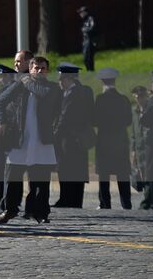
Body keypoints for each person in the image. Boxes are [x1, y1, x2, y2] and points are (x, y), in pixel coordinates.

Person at [0, 55, 59, 224]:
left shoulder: (52, 87)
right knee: (13, 176)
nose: (38, 71)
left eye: (42, 68)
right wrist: (2, 121)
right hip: (20, 137)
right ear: (30, 68)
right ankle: (10, 209)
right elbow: (1, 101)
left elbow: (44, 94)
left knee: (41, 178)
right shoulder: (20, 86)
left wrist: (27, 81)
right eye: (35, 68)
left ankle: (40, 212)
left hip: (42, 139)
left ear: (47, 71)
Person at [53, 64, 95, 207]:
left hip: (70, 138)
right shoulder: (82, 91)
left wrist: (54, 135)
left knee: (66, 169)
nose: (59, 83)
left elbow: (64, 118)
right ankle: (72, 199)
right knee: (76, 170)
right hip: (78, 139)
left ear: (68, 79)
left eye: (61, 79)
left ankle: (68, 199)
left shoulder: (74, 94)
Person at [91, 68, 131, 209]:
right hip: (120, 140)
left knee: (104, 175)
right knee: (123, 175)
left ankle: (105, 203)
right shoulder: (124, 99)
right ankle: (126, 204)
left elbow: (94, 120)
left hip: (104, 141)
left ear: (102, 81)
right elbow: (129, 121)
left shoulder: (100, 99)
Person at [77, 7, 97, 72]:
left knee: (89, 58)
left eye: (81, 12)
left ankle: (91, 71)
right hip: (85, 41)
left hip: (90, 41)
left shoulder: (90, 18)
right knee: (85, 58)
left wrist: (85, 30)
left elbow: (93, 27)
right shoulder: (84, 21)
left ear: (85, 12)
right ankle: (88, 70)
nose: (80, 14)